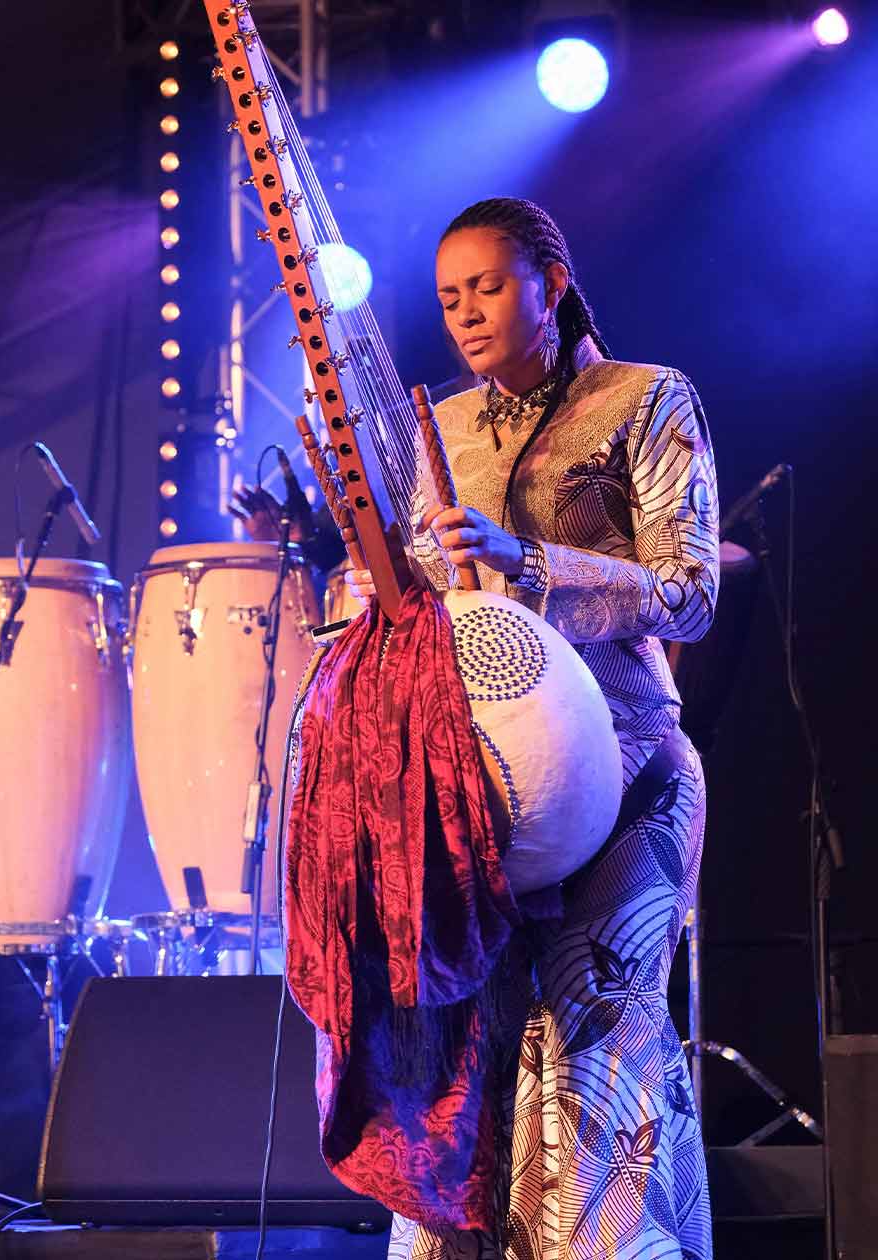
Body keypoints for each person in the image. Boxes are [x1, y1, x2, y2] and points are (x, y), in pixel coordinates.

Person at [344, 197, 719, 1260]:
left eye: (490, 286)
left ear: (550, 284)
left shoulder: (644, 399)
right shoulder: (444, 431)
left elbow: (691, 596)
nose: (466, 313)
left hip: (631, 767)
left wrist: (531, 564)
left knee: (603, 1045)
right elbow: (428, 612)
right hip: (488, 794)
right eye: (449, 297)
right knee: (474, 1063)